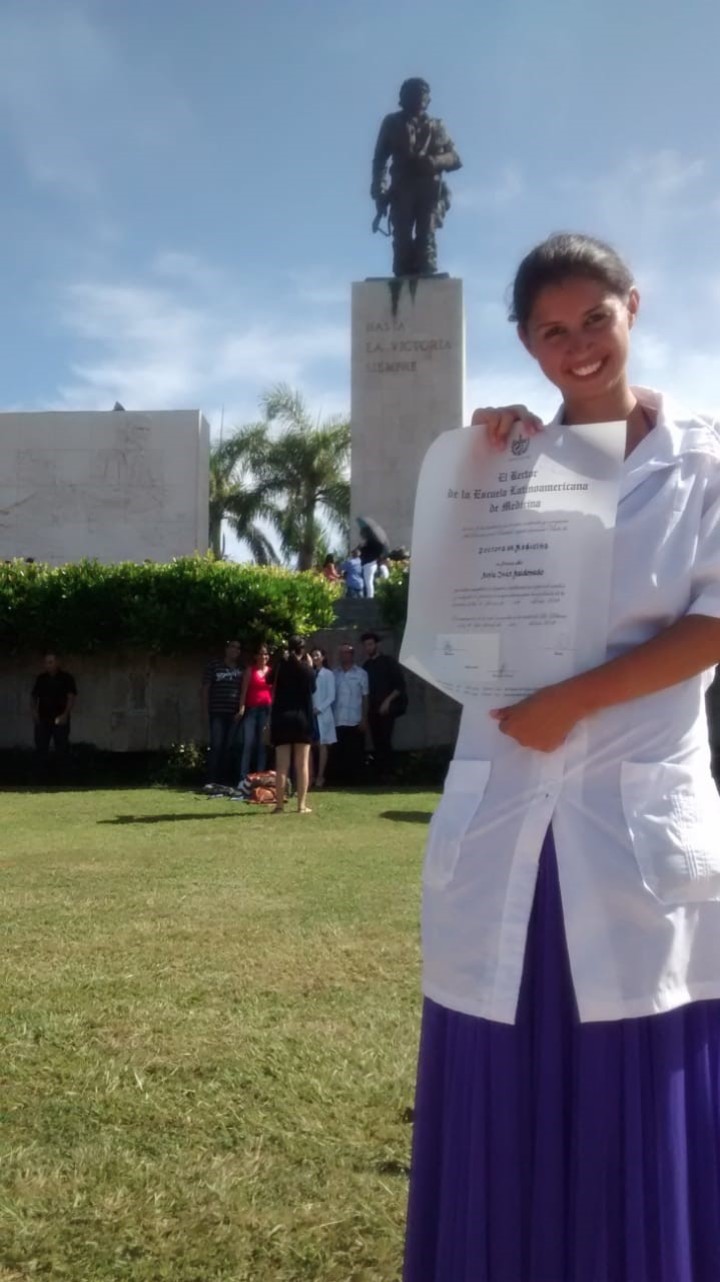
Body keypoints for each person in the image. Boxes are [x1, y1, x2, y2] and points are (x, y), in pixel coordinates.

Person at [404, 233, 720, 1282]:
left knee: (633, 1072)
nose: (578, 345)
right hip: (505, 817)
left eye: (595, 318)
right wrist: (479, 471)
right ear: (527, 344)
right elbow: (450, 616)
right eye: (552, 330)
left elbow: (714, 621)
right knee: (499, 1058)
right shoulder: (509, 464)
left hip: (630, 825)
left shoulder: (704, 460)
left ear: (634, 307)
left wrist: (573, 702)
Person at [371, 78, 462, 278]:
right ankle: (403, 281)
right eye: (413, 93)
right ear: (402, 98)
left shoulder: (437, 126)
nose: (418, 97)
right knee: (402, 241)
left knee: (426, 239)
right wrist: (379, 192)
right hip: (401, 189)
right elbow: (380, 160)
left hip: (429, 190)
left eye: (422, 93)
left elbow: (455, 158)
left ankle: (426, 276)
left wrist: (434, 162)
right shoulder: (392, 122)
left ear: (428, 99)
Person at [269, 635, 316, 814]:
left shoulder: (281, 666)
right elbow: (312, 688)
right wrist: (310, 666)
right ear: (302, 650)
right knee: (302, 764)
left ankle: (279, 805)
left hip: (282, 718)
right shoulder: (305, 669)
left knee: (282, 766)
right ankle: (301, 805)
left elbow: (269, 679)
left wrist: (280, 659)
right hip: (302, 718)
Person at [361, 631, 407, 782]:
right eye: (365, 645)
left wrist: (387, 702)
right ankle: (380, 774)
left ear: (377, 645)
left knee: (386, 740)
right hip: (372, 710)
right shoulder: (366, 666)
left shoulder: (388, 662)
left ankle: (389, 773)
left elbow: (399, 686)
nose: (368, 647)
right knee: (377, 741)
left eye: (370, 644)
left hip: (387, 709)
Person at [201, 639, 243, 787]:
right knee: (216, 745)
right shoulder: (214, 666)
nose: (235, 650)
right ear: (226, 649)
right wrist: (205, 710)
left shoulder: (241, 669)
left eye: (238, 648)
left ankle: (225, 780)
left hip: (234, 714)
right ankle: (211, 780)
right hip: (217, 712)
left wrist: (241, 709)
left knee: (230, 747)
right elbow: (206, 689)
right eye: (232, 647)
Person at [31, 651, 77, 766]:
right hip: (43, 718)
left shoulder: (66, 678)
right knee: (41, 747)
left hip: (59, 718)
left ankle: (62, 773)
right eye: (46, 662)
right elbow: (34, 696)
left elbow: (71, 697)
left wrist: (65, 714)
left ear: (57, 662)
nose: (47, 665)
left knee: (61, 748)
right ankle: (41, 773)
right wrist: (34, 712)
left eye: (50, 662)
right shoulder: (41, 678)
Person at [332, 642, 369, 784]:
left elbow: (365, 697)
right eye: (342, 653)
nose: (344, 655)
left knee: (355, 753)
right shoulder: (334, 674)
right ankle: (339, 781)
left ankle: (356, 782)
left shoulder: (361, 674)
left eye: (347, 652)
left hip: (355, 720)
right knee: (339, 753)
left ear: (352, 655)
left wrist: (364, 718)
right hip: (338, 719)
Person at [238, 643, 272, 780]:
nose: (264, 656)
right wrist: (241, 707)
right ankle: (243, 777)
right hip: (252, 710)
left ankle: (260, 778)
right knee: (248, 744)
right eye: (261, 654)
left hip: (266, 710)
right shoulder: (250, 671)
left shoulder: (270, 671)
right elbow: (244, 690)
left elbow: (273, 692)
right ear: (256, 656)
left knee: (262, 745)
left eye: (266, 654)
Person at [310, 647, 336, 788]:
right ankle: (311, 775)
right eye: (313, 655)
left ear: (323, 657)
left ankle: (320, 776)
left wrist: (319, 708)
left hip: (322, 713)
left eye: (317, 655)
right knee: (310, 746)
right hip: (310, 714)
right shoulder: (310, 673)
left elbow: (331, 696)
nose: (315, 658)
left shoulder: (328, 674)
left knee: (322, 744)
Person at [357, 517, 389, 600]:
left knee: (368, 582)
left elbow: (366, 552)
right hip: (371, 563)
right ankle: (370, 596)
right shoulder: (373, 542)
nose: (361, 535)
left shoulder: (371, 542)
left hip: (369, 564)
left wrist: (361, 548)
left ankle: (370, 598)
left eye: (362, 533)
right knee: (369, 582)